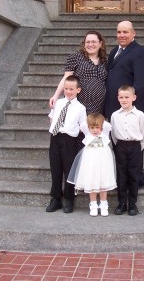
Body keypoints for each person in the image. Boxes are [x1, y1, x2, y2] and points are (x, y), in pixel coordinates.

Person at [104, 21, 144, 188]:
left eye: (125, 32)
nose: (121, 35)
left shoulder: (140, 52)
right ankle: (121, 178)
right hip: (113, 106)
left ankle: (136, 179)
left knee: (133, 146)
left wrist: (129, 107)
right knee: (118, 144)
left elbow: (142, 82)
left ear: (134, 33)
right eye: (118, 32)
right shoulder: (113, 52)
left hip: (130, 108)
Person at [46, 75, 87, 214]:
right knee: (55, 168)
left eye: (71, 89)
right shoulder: (58, 103)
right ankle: (56, 199)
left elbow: (82, 125)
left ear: (78, 90)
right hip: (56, 137)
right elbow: (52, 118)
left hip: (70, 140)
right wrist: (55, 131)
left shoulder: (81, 108)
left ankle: (69, 199)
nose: (68, 91)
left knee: (69, 169)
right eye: (66, 89)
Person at [67, 113, 117, 217]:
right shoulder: (87, 132)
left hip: (103, 159)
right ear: (89, 127)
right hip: (90, 160)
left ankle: (103, 204)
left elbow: (108, 126)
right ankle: (93, 204)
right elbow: (83, 125)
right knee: (91, 181)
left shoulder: (104, 132)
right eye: (92, 128)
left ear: (102, 127)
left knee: (103, 181)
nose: (95, 130)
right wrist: (91, 120)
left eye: (97, 127)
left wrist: (100, 121)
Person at [110, 85, 144, 216]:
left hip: (135, 147)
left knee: (133, 175)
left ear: (134, 97)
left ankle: (132, 203)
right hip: (121, 146)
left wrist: (139, 145)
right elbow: (114, 134)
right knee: (121, 175)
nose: (124, 99)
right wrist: (119, 146)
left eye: (127, 97)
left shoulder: (139, 115)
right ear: (118, 98)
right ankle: (122, 203)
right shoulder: (115, 115)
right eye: (121, 97)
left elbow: (143, 132)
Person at [50, 31, 107, 114]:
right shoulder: (76, 57)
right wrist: (56, 96)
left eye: (94, 42)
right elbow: (66, 77)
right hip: (78, 104)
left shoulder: (104, 61)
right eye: (87, 42)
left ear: (100, 43)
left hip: (99, 107)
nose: (90, 44)